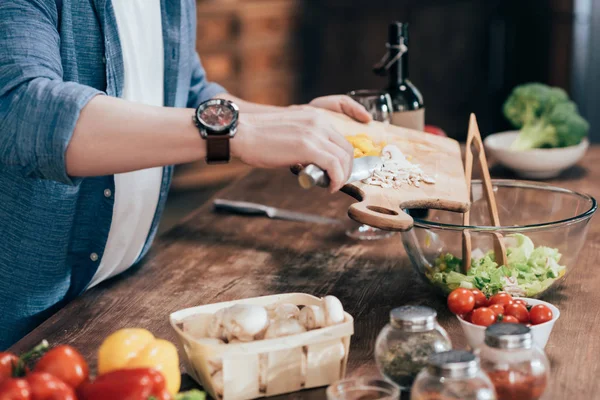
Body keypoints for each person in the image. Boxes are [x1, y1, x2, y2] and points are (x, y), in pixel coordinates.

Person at [0, 0, 372, 349]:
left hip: (113, 298)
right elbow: (23, 109)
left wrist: (291, 120)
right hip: (20, 331)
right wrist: (234, 133)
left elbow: (189, 93)